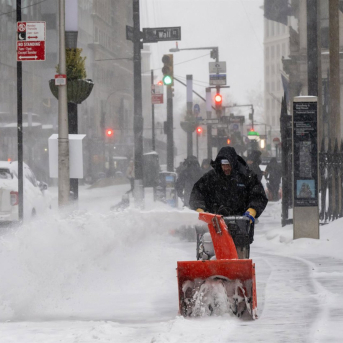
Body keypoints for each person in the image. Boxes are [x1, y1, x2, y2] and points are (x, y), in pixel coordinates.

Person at [189, 147, 268, 258]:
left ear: (234, 163)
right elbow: (197, 193)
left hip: (239, 228)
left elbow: (259, 196)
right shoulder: (212, 177)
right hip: (215, 226)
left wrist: (252, 211)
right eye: (223, 165)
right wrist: (200, 209)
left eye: (228, 165)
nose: (225, 168)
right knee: (209, 252)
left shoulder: (246, 176)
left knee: (239, 258)